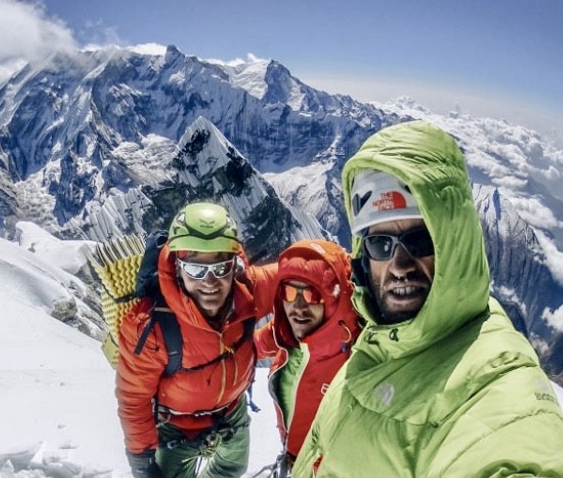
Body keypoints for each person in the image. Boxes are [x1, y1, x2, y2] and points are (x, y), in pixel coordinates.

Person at [293, 120, 563, 477]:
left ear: (455, 246)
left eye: (419, 241)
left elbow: (509, 443)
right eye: (380, 244)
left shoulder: (495, 386)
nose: (399, 265)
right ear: (363, 255)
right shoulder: (380, 342)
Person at [117, 202, 278, 478]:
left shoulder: (247, 291)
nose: (210, 281)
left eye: (220, 268)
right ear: (178, 269)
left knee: (232, 468)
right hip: (174, 427)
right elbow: (134, 399)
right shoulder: (150, 326)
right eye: (196, 270)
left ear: (234, 266)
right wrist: (142, 460)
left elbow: (297, 273)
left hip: (231, 411)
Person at [254, 239, 361, 475]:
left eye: (313, 294)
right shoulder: (284, 334)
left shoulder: (360, 351)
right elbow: (246, 349)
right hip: (292, 459)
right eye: (289, 292)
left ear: (335, 299)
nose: (298, 306)